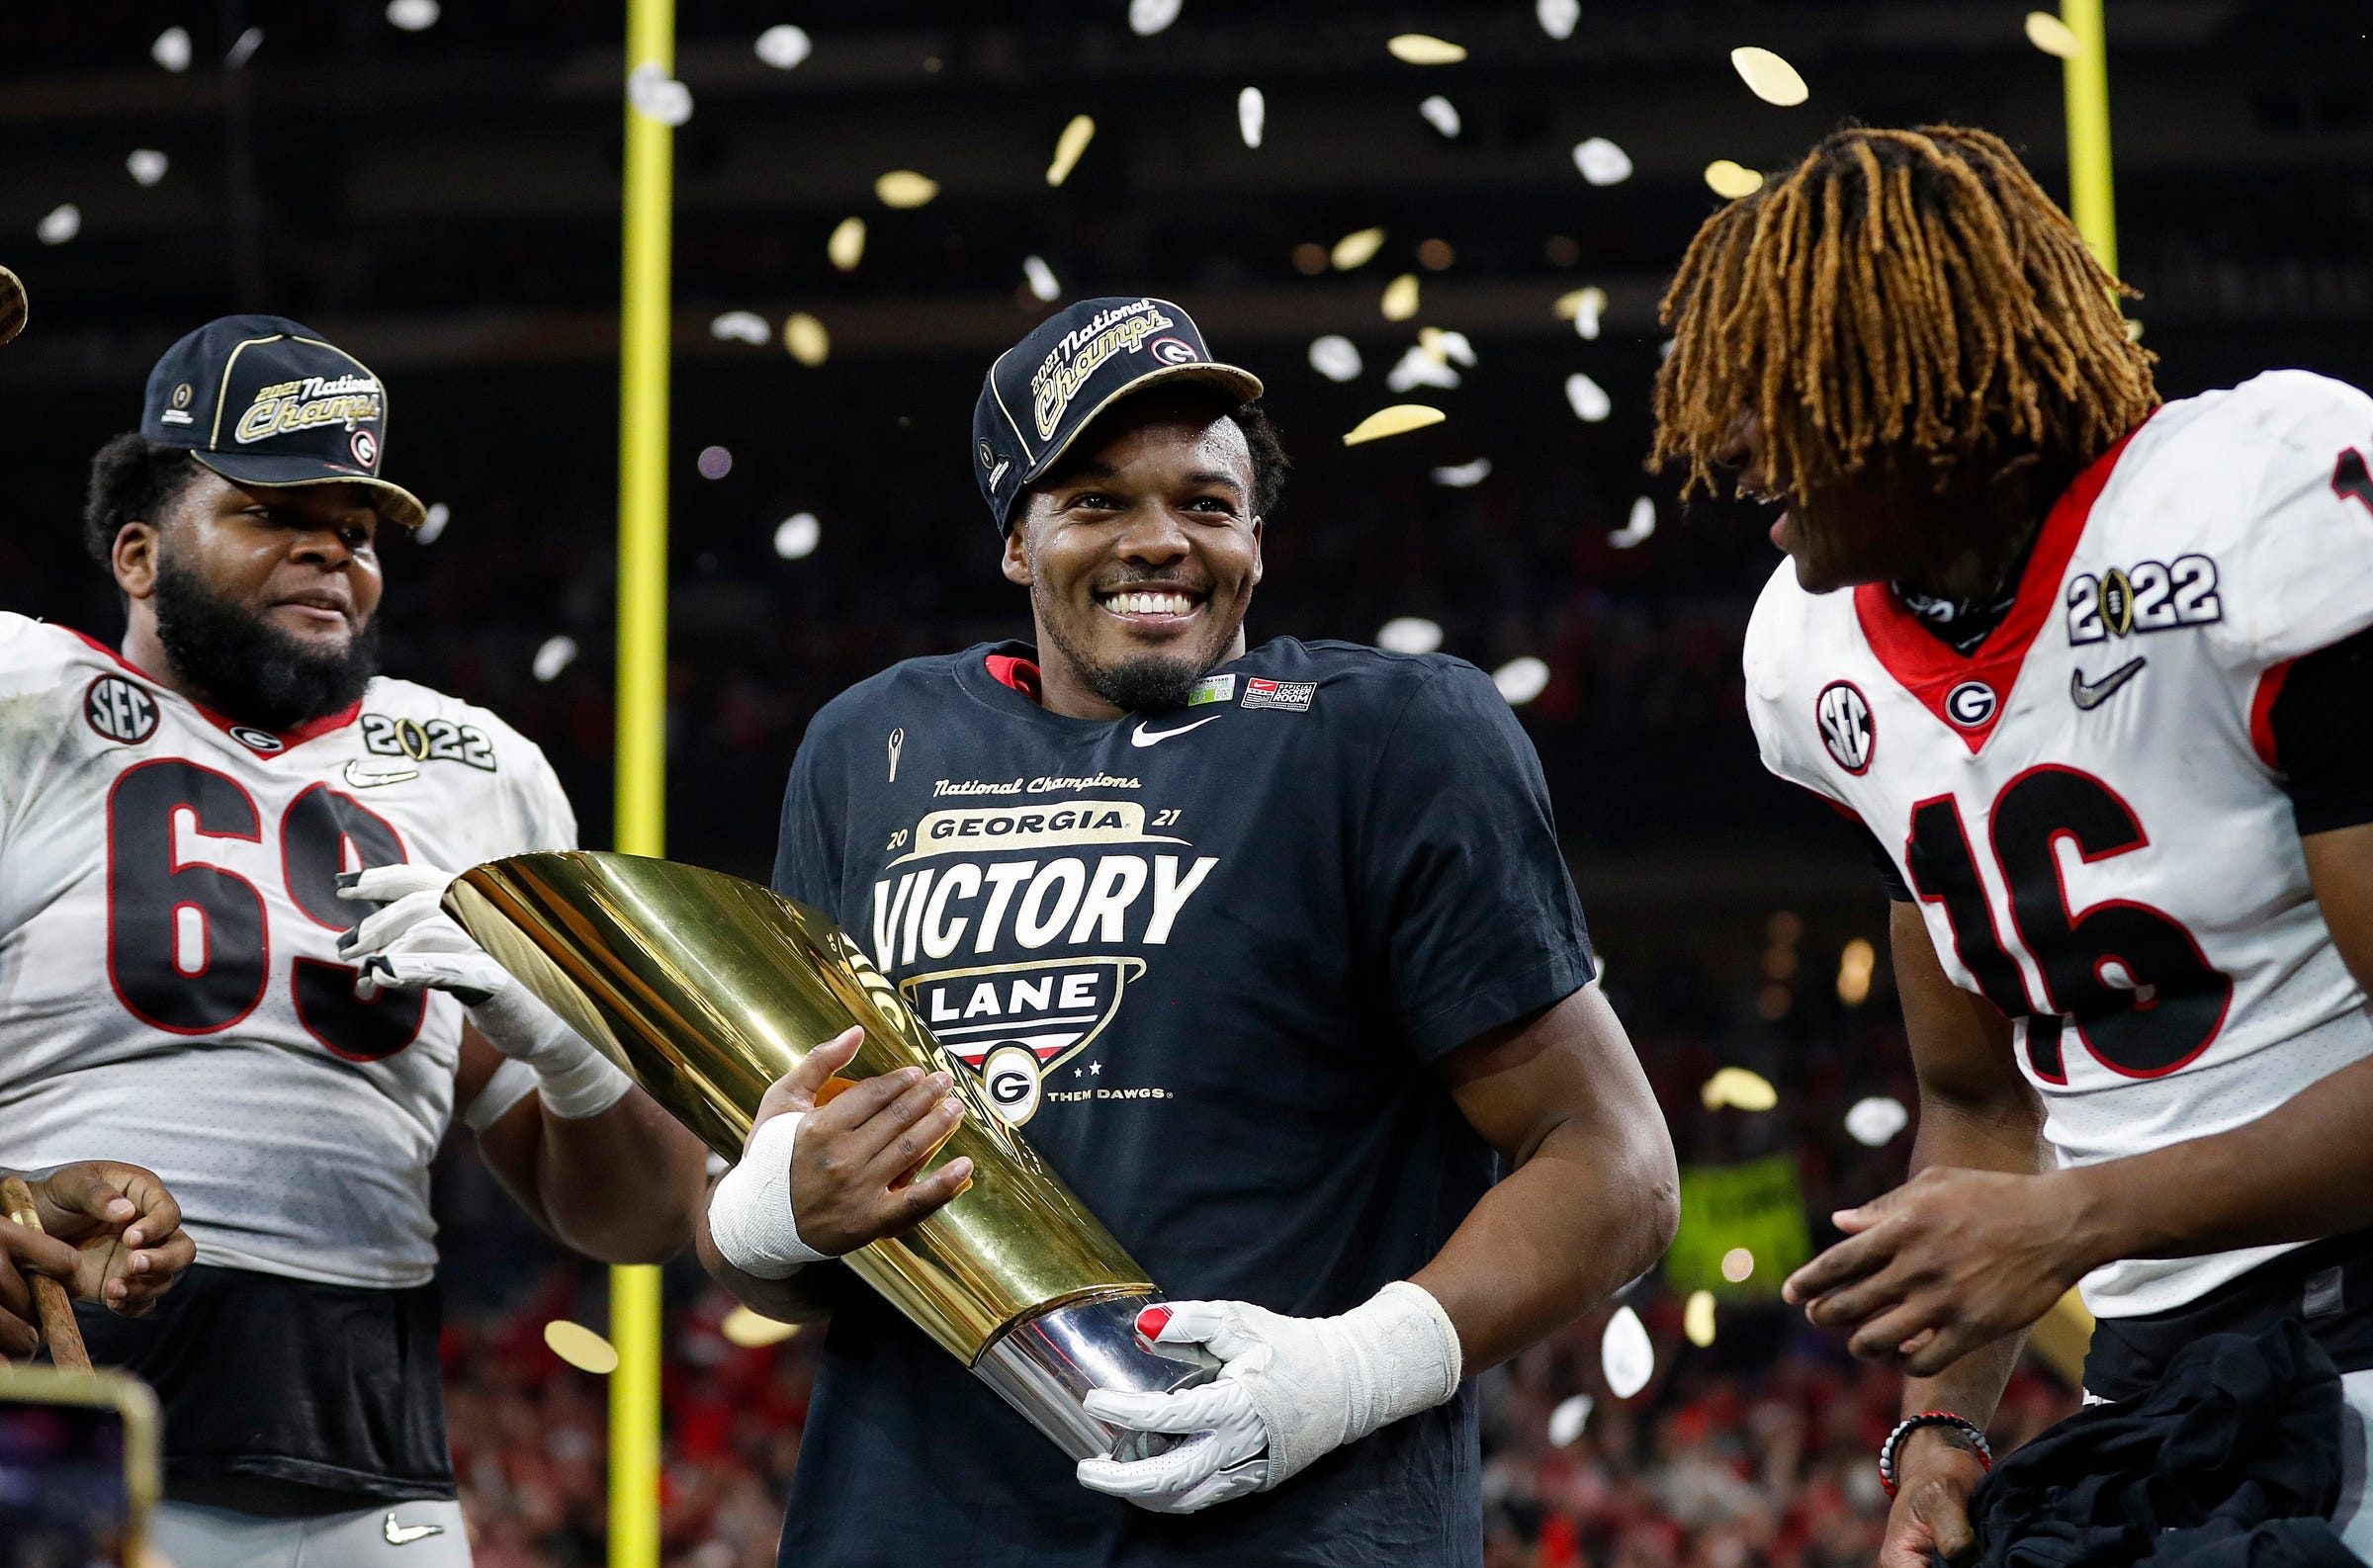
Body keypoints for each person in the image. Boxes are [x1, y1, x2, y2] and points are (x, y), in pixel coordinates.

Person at [694, 295, 1680, 1566]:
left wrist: (1348, 1369)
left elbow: (1620, 1167)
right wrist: (771, 1216)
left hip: (1292, 1529)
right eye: (1098, 500)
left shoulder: (1388, 733)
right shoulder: (867, 747)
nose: (1159, 541)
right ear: (1016, 537)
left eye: (1205, 504)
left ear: (1258, 542)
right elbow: (777, 1256)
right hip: (912, 1522)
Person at [1650, 123, 2373, 1564]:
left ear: (1901, 382)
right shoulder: (1812, 660)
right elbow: (1981, 1109)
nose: (1728, 452)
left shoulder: (2248, 506)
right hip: (2158, 1371)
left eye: (1767, 394)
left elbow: (2040, 1203)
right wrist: (1938, 1436)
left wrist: (2078, 1221)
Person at [0, 315, 710, 1564]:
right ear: (138, 551)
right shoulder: (24, 701)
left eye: (358, 527)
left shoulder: (478, 774)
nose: (330, 547)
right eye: (273, 510)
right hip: (47, 1423)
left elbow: (643, 1218)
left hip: (370, 1471)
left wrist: (574, 1050)